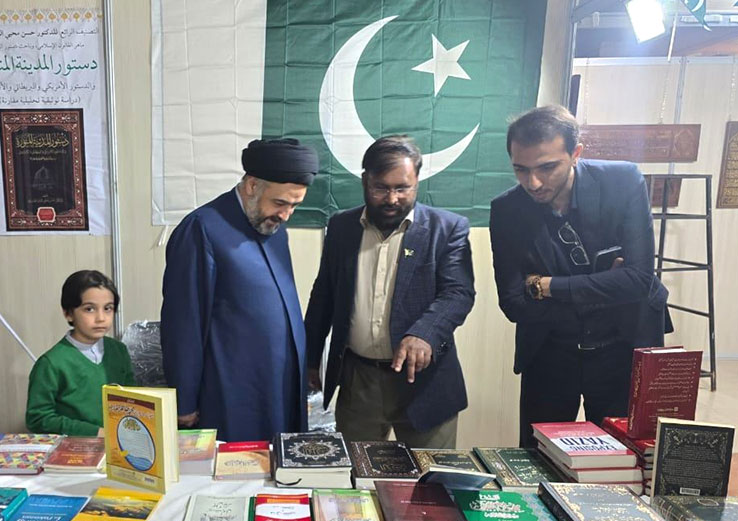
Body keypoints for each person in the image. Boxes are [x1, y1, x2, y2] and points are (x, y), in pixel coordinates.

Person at [489, 105, 670, 448]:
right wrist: (603, 292)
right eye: (520, 170)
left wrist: (547, 286)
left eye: (547, 167)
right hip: (551, 352)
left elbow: (639, 279)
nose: (534, 182)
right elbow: (513, 303)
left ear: (575, 153)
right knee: (538, 459)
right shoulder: (507, 209)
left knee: (624, 461)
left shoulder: (622, 181)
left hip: (623, 346)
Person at [304, 136, 475, 446]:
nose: (392, 198)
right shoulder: (342, 228)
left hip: (425, 383)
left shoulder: (447, 229)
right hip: (359, 382)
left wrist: (424, 333)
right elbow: (323, 297)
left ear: (417, 181)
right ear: (364, 181)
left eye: (402, 188)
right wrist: (310, 359)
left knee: (430, 481)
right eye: (381, 188)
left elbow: (458, 293)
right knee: (354, 480)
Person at [160, 138, 317, 442]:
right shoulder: (202, 229)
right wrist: (184, 402)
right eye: (280, 203)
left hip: (280, 389)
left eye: (294, 206)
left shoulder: (272, 227)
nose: (286, 215)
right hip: (232, 392)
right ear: (252, 185)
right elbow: (184, 324)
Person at [25, 270, 135, 436]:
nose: (101, 318)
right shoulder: (51, 363)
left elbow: (132, 399)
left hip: (121, 443)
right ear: (68, 313)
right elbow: (38, 419)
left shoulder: (119, 351)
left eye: (108, 308)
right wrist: (94, 432)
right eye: (89, 309)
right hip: (74, 450)